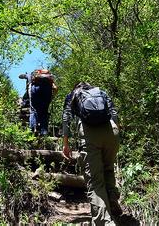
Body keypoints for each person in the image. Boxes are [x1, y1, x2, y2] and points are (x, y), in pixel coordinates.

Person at [62, 82, 122, 225]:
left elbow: (66, 117)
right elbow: (114, 112)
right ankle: (111, 198)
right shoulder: (100, 91)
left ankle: (105, 222)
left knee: (95, 181)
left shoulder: (73, 95)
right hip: (111, 131)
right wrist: (116, 132)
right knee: (108, 168)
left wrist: (66, 143)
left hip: (89, 134)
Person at [19, 69, 58, 135]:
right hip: (47, 91)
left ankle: (33, 129)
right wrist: (52, 97)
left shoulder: (33, 77)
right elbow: (55, 88)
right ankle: (44, 131)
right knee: (44, 112)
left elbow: (21, 78)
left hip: (35, 90)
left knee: (34, 110)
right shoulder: (49, 80)